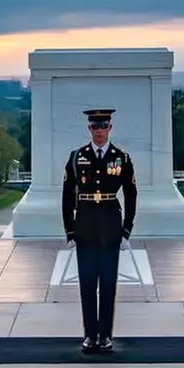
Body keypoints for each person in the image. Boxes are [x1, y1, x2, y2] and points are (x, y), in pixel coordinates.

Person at [61, 107, 137, 354]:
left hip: (110, 225)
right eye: (95, 127)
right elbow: (67, 196)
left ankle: (105, 335)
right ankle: (89, 335)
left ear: (110, 128)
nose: (99, 131)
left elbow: (131, 194)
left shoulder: (121, 158)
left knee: (107, 283)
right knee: (86, 283)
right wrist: (69, 231)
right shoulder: (77, 157)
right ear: (89, 128)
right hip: (85, 225)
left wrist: (126, 230)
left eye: (103, 126)